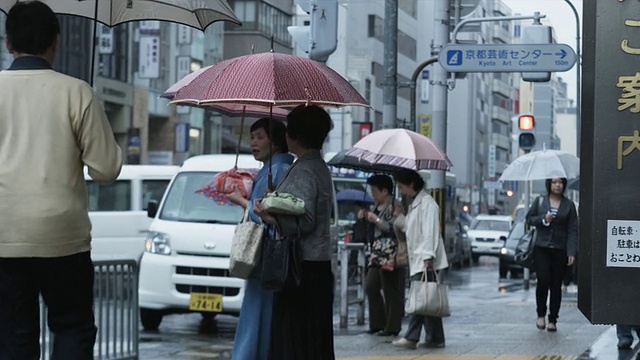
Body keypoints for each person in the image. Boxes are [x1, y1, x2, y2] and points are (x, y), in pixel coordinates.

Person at [0, 1, 123, 358]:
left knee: (12, 335)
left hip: (4, 235)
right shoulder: (77, 91)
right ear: (55, 40)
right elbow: (106, 169)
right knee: (71, 328)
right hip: (63, 237)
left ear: (8, 43)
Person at [253, 105, 335, 360]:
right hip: (315, 266)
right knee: (312, 337)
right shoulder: (316, 165)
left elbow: (306, 221)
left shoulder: (305, 169)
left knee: (294, 337)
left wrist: (270, 217)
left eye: (288, 130)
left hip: (302, 266)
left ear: (296, 135)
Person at [228, 118, 293, 360]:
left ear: (275, 141)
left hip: (266, 254)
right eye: (252, 137)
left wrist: (241, 201)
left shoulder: (276, 170)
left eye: (260, 137)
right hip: (268, 256)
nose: (253, 142)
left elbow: (267, 215)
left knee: (257, 313)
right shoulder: (275, 168)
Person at [391, 169, 448, 350]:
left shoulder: (428, 204)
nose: (401, 191)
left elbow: (430, 232)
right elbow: (410, 227)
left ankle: (411, 337)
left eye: (402, 186)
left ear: (412, 184)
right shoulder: (416, 204)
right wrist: (399, 218)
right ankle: (436, 337)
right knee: (426, 298)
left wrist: (428, 256)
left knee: (418, 298)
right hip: (419, 258)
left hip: (425, 259)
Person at [526, 177, 578, 332]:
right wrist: (544, 219)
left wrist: (571, 251)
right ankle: (540, 314)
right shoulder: (540, 201)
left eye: (560, 182)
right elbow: (529, 219)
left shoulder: (569, 205)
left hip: (560, 249)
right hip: (541, 248)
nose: (557, 185)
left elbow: (573, 229)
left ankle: (553, 319)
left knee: (556, 285)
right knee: (543, 280)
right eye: (554, 182)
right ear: (549, 184)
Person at [361, 175, 405, 337]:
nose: (372, 194)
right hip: (377, 251)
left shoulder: (395, 206)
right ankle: (377, 322)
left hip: (391, 251)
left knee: (390, 289)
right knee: (371, 286)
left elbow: (393, 227)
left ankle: (392, 326)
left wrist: (376, 219)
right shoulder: (375, 205)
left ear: (385, 191)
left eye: (375, 190)